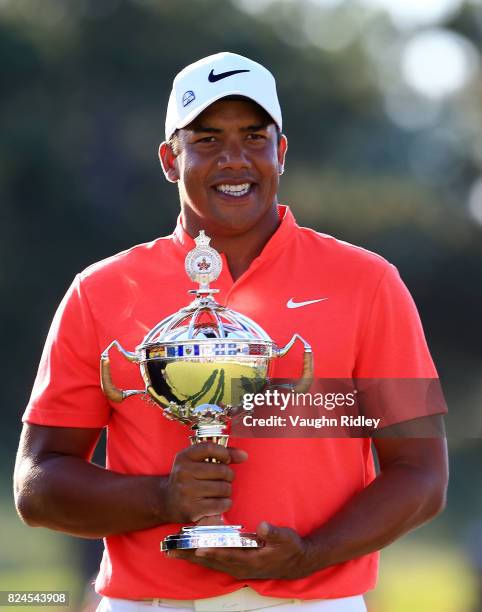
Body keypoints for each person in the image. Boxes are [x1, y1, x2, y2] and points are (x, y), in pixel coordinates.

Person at [14, 52, 448, 612]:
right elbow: (37, 486)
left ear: (281, 152)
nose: (235, 160)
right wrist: (161, 498)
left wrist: (312, 553)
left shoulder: (368, 282)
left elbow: (423, 475)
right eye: (208, 140)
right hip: (149, 602)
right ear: (171, 159)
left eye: (253, 136)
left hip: (312, 603)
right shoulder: (100, 290)